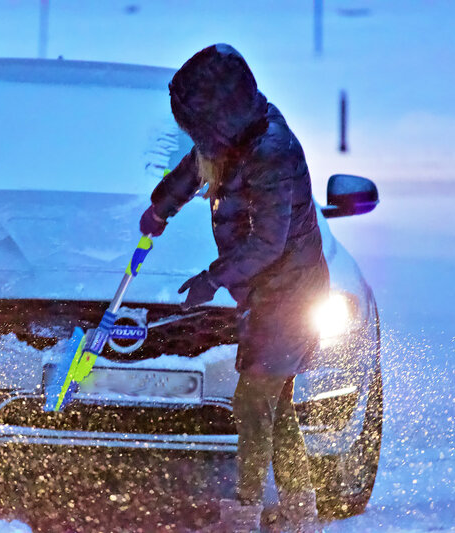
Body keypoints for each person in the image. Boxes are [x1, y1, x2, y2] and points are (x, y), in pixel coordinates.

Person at [139, 44, 329, 533]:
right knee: (274, 403)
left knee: (251, 401)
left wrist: (212, 277)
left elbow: (268, 243)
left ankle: (245, 513)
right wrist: (162, 207)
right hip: (269, 294)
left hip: (291, 294)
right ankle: (299, 510)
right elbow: (195, 167)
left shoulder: (272, 152)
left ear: (219, 115)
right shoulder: (235, 138)